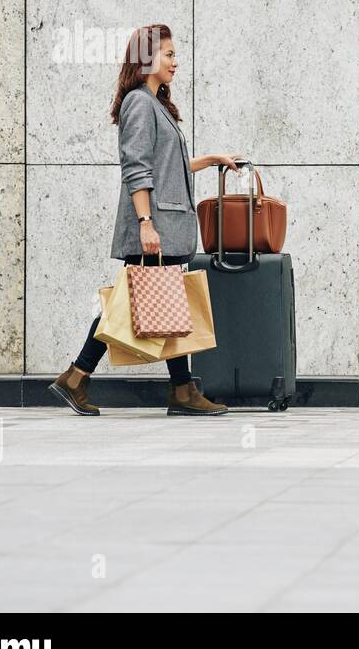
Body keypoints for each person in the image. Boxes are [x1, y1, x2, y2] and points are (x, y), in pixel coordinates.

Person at [48, 23, 242, 417]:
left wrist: (209, 161)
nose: (175, 61)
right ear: (146, 59)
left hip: (162, 226)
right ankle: (81, 375)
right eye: (168, 55)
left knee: (162, 302)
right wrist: (146, 223)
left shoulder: (154, 103)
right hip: (153, 227)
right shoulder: (139, 102)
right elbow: (136, 167)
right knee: (127, 305)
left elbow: (164, 166)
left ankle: (176, 389)